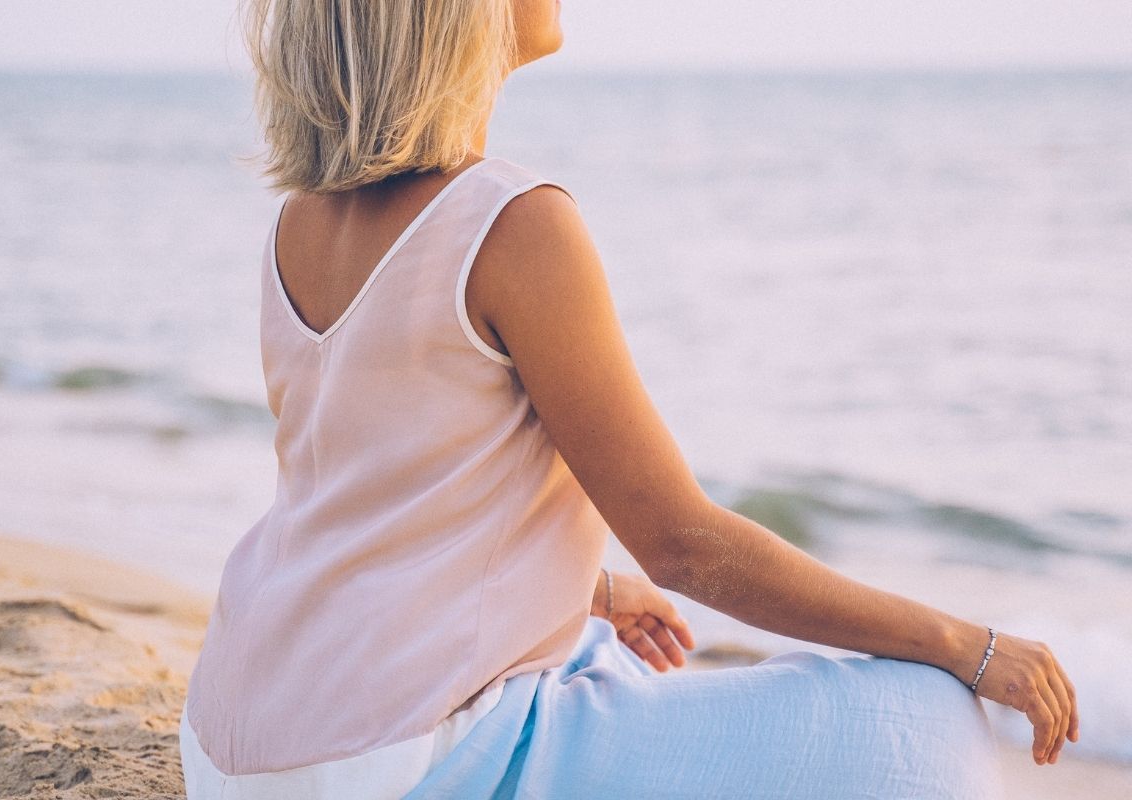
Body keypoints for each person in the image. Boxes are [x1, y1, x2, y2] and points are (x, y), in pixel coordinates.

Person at [178, 1, 1080, 797]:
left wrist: (593, 586)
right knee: (929, 720)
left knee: (594, 653)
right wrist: (970, 647)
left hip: (230, 744)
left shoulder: (296, 220)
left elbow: (367, 492)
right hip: (394, 764)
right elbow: (685, 546)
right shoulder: (515, 222)